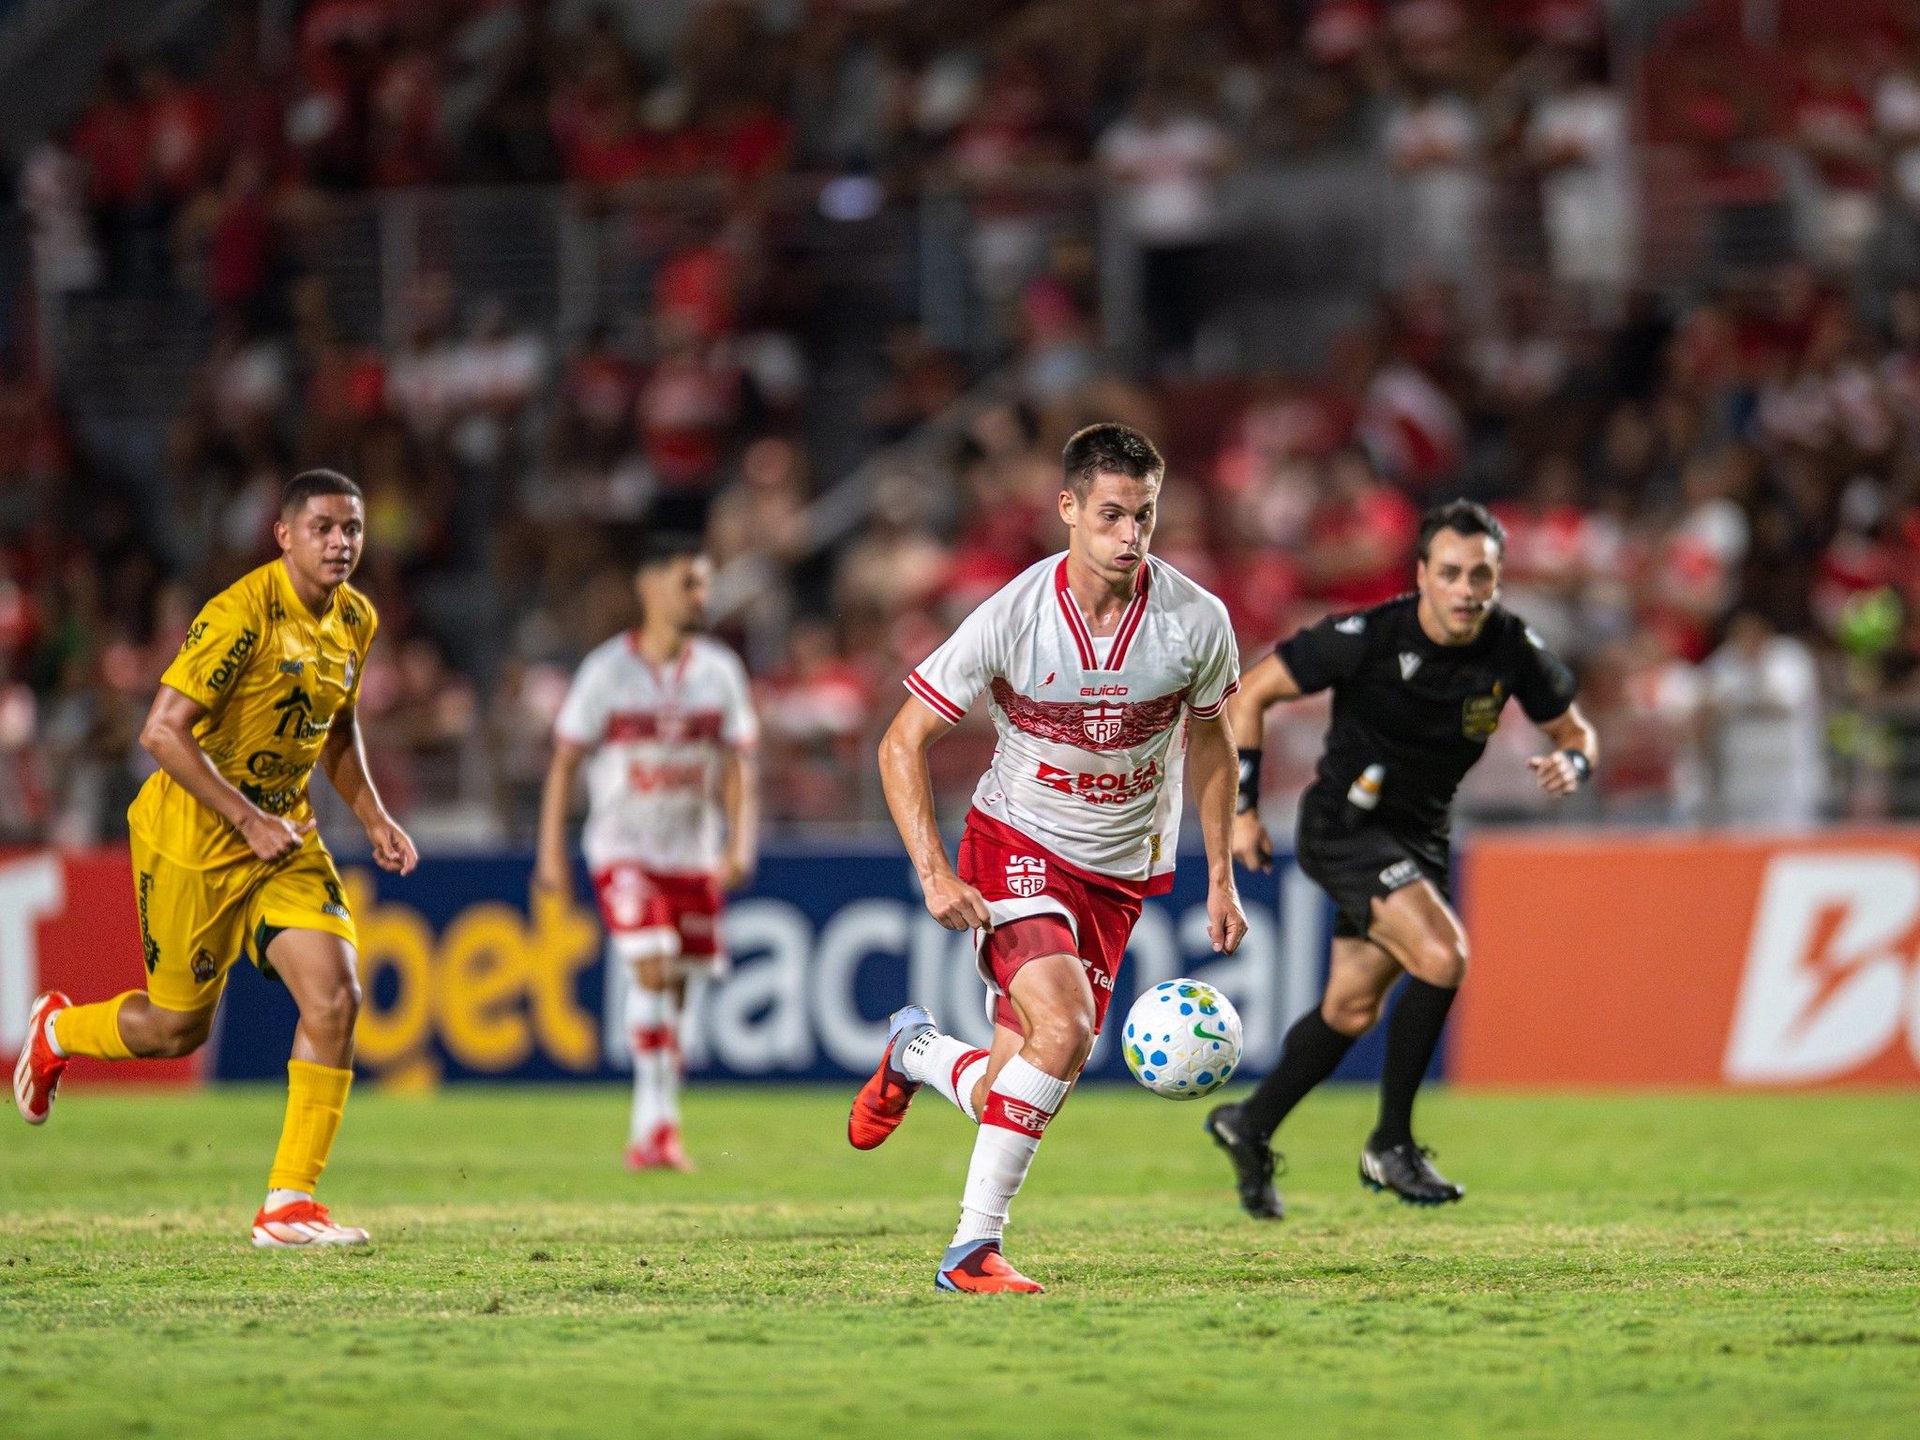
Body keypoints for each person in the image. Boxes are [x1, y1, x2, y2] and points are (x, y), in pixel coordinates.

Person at [849, 423, 1247, 1293]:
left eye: (1145, 516)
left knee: (1014, 1080)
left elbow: (1215, 744)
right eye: (1111, 516)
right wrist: (933, 872)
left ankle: (915, 1054)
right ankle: (970, 1251)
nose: (1130, 537)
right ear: (1067, 509)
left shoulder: (1196, 622)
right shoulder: (1013, 617)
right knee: (1064, 1032)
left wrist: (1220, 873)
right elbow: (899, 741)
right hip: (1015, 842)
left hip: (1118, 872)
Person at [12, 470, 417, 1248]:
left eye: (353, 530)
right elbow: (162, 731)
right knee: (173, 1030)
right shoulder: (241, 614)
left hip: (282, 841)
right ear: (285, 535)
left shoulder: (356, 620)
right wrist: (245, 815)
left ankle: (289, 1204)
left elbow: (335, 729)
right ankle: (60, 1032)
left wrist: (373, 816)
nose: (341, 543)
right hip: (191, 840)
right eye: (325, 528)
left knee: (336, 996)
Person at [1208, 499, 1596, 1216]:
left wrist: (1574, 762)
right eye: (1449, 572)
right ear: (1421, 574)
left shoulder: (1510, 647)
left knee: (1352, 1008)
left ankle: (1249, 1123)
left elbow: (1576, 731)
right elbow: (1250, 695)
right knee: (1444, 957)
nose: (1466, 589)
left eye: (1481, 574)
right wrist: (1244, 812)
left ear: (1499, 577)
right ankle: (1391, 1144)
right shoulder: (1368, 636)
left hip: (1420, 839)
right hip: (1345, 829)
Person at [534, 534, 758, 1172]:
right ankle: (652, 1123)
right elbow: (565, 760)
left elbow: (738, 766)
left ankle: (659, 1120)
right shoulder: (607, 671)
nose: (701, 596)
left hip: (691, 851)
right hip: (622, 847)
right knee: (654, 965)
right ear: (650, 586)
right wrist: (550, 856)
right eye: (690, 582)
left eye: (705, 583)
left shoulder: (719, 672)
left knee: (680, 987)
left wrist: (740, 842)